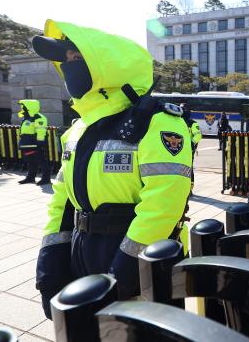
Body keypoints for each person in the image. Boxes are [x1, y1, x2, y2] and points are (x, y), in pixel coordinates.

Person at [32, 20, 192, 319]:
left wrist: (124, 271)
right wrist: (50, 261)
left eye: (77, 59)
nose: (69, 66)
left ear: (108, 67)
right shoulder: (78, 129)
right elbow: (62, 199)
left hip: (143, 257)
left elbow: (164, 204)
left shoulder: (158, 122)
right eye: (66, 60)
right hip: (82, 249)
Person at [17, 99, 51, 185]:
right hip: (28, 143)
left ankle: (46, 179)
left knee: (42, 161)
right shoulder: (27, 117)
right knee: (31, 161)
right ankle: (30, 178)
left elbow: (41, 130)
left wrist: (40, 142)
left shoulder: (38, 117)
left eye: (23, 107)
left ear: (29, 107)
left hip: (36, 143)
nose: (22, 108)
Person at [180, 103, 202, 192]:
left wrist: (191, 144)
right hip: (178, 149)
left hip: (188, 149)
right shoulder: (177, 121)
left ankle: (190, 188)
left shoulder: (193, 123)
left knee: (188, 168)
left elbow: (198, 135)